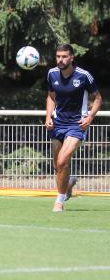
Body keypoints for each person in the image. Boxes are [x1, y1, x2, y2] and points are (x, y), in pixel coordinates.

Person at [45, 44, 102, 212]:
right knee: (58, 165)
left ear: (71, 58)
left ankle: (59, 201)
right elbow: (50, 96)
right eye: (58, 56)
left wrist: (90, 117)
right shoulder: (52, 74)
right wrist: (48, 116)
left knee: (63, 161)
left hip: (77, 125)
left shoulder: (84, 76)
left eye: (64, 56)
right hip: (57, 123)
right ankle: (68, 182)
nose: (60, 60)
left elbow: (98, 99)